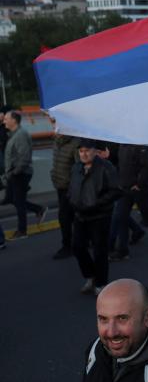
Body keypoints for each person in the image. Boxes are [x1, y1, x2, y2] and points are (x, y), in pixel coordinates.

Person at [70, 139, 121, 295]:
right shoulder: (77, 167)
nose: (83, 154)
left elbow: (115, 190)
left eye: (87, 150)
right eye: (81, 151)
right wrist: (72, 200)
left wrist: (96, 203)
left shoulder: (106, 167)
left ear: (95, 151)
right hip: (80, 214)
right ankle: (90, 276)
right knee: (77, 247)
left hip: (100, 215)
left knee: (99, 250)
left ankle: (101, 283)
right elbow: (72, 186)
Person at [112, 144, 148, 257]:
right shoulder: (122, 146)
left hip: (139, 189)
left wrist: (139, 184)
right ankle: (122, 250)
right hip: (125, 189)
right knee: (121, 217)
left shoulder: (141, 147)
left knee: (147, 216)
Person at [3, 111, 46, 240]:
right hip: (14, 173)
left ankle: (22, 231)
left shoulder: (21, 135)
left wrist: (15, 172)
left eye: (6, 118)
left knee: (19, 201)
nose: (4, 121)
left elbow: (24, 157)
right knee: (12, 198)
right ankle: (38, 209)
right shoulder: (13, 134)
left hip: (20, 173)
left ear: (14, 120)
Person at [50, 130, 80, 259]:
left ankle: (67, 246)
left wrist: (75, 186)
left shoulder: (75, 143)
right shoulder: (57, 142)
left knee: (65, 217)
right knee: (72, 217)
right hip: (60, 185)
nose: (55, 127)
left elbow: (79, 167)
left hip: (70, 187)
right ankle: (80, 241)